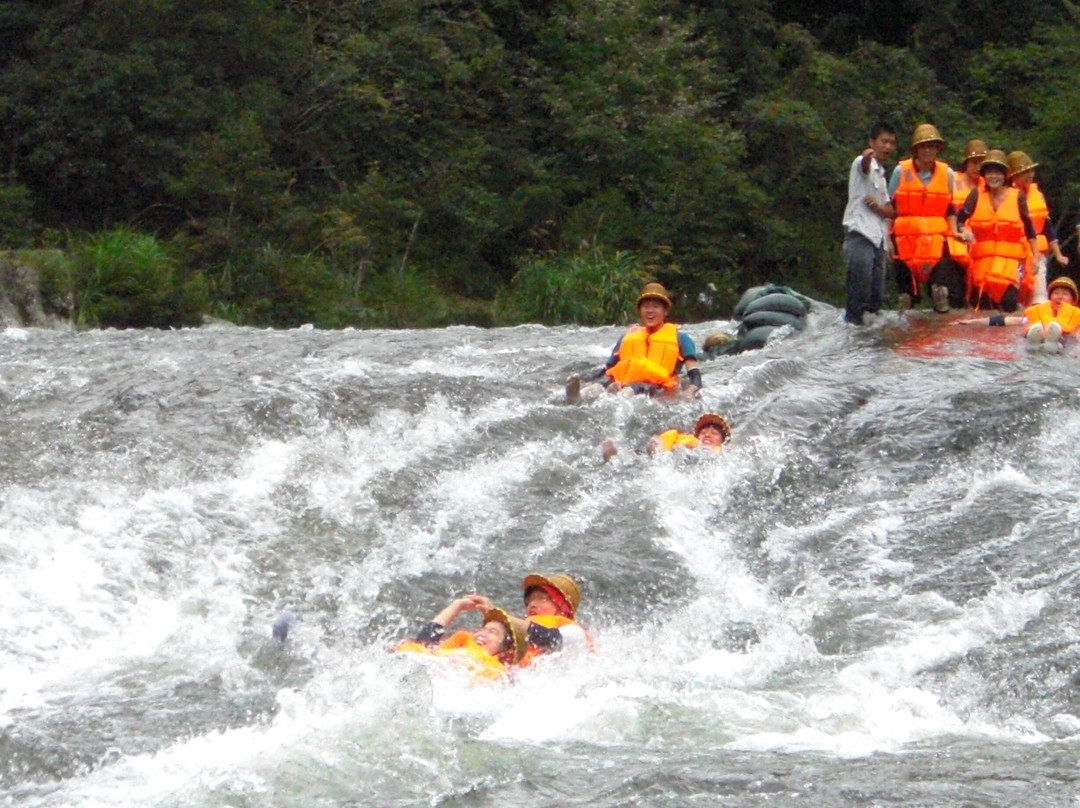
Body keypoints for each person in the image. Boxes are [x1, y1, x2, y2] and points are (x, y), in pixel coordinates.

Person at [566, 282, 701, 403]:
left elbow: (695, 375)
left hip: (657, 388)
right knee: (600, 385)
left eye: (655, 307)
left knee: (631, 389)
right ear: (639, 310)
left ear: (665, 311)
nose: (650, 311)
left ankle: (616, 401)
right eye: (646, 307)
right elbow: (607, 370)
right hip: (624, 383)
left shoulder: (681, 338)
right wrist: (585, 381)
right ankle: (578, 396)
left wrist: (689, 392)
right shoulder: (627, 337)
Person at [954, 149, 1039, 313]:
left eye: (998, 172)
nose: (993, 177)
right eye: (989, 173)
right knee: (984, 306)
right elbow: (959, 220)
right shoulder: (975, 196)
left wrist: (1035, 257)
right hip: (983, 263)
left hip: (1010, 262)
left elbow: (1029, 229)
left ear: (1005, 175)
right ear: (984, 176)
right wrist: (963, 230)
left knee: (1009, 303)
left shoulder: (1017, 197)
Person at [889, 124, 960, 313]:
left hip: (936, 238)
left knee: (940, 292)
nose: (927, 150)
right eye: (923, 146)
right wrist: (886, 237)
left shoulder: (948, 174)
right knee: (906, 296)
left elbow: (950, 207)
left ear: (938, 148)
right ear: (916, 150)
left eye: (932, 146)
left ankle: (939, 328)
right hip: (905, 239)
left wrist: (955, 231)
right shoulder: (900, 171)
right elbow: (890, 206)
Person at [396, 594, 526, 681]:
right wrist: (457, 606)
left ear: (506, 649)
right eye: (482, 629)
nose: (482, 633)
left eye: (492, 632)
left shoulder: (498, 673)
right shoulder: (460, 648)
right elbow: (424, 642)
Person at [841, 122, 897, 325]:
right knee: (859, 289)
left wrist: (879, 209)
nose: (888, 147)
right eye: (884, 141)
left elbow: (891, 210)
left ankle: (868, 336)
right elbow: (863, 165)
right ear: (872, 142)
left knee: (876, 296)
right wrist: (866, 156)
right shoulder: (862, 163)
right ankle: (852, 328)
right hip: (860, 234)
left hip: (878, 238)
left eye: (891, 143)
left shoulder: (882, 175)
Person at [1006, 150, 1070, 305]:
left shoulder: (1038, 195)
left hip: (1037, 254)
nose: (1030, 175)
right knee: (1015, 297)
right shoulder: (1006, 196)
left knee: (1039, 296)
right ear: (1014, 176)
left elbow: (1047, 227)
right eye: (1025, 172)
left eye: (1031, 170)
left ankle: (1039, 320)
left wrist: (1058, 254)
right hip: (1014, 253)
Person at [956, 276, 1080, 352]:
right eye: (1056, 293)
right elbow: (1004, 321)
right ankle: (1035, 342)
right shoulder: (1037, 313)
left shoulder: (1077, 319)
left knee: (1063, 341)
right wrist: (972, 322)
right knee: (1034, 331)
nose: (1059, 297)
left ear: (1073, 300)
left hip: (1062, 347)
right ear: (1050, 297)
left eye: (1065, 294)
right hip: (1036, 344)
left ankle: (1053, 341)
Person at [503, 573, 591, 666]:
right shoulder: (519, 635)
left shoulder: (575, 633)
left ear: (561, 606)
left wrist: (505, 620)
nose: (532, 604)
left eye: (542, 599)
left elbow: (548, 638)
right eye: (529, 601)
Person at [943, 139, 987, 307]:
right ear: (966, 163)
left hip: (978, 244)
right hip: (955, 240)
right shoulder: (953, 180)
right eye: (974, 163)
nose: (978, 168)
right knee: (955, 289)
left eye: (981, 163)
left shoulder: (989, 186)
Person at [600, 412, 731, 461]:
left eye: (714, 433)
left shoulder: (721, 454)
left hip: (677, 466)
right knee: (636, 455)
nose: (707, 434)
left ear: (722, 441)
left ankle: (655, 454)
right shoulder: (684, 440)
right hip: (666, 457)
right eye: (703, 432)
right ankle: (613, 455)